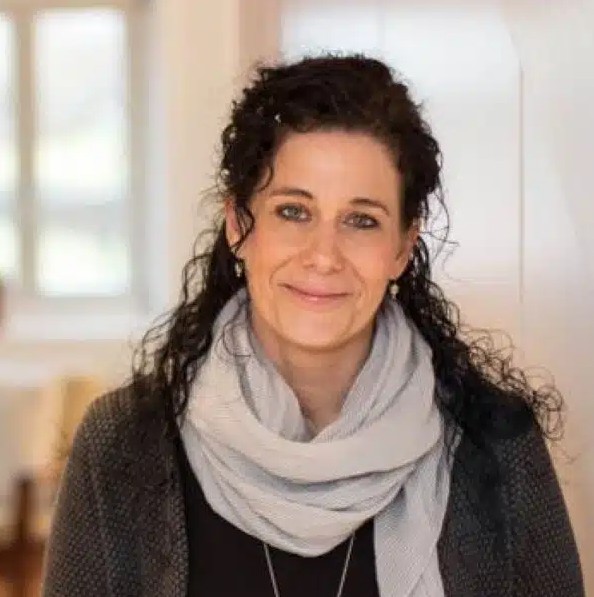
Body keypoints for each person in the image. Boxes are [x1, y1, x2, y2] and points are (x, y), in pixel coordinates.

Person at [41, 54, 584, 596]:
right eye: (293, 212)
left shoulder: (497, 446)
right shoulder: (122, 446)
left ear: (402, 248)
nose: (324, 256)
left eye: (361, 220)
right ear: (238, 225)